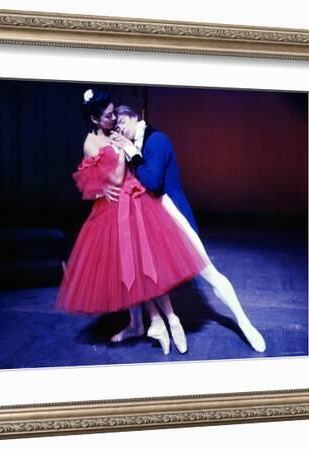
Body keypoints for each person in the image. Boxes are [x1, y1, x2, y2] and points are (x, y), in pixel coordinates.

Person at [55, 89, 210, 355]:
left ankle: (169, 320)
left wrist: (125, 147)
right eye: (107, 115)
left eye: (114, 112)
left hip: (137, 200)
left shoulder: (113, 131)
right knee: (131, 268)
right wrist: (118, 152)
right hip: (114, 209)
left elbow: (131, 166)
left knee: (148, 264)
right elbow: (111, 179)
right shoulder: (91, 142)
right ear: (94, 119)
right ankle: (150, 322)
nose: (114, 118)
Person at [109, 104, 266, 353]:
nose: (119, 129)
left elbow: (152, 181)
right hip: (155, 219)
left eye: (122, 123)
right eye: (115, 126)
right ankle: (149, 323)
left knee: (208, 272)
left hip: (175, 215)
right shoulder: (133, 144)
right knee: (142, 271)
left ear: (135, 117)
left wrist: (131, 153)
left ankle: (244, 323)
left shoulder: (156, 139)